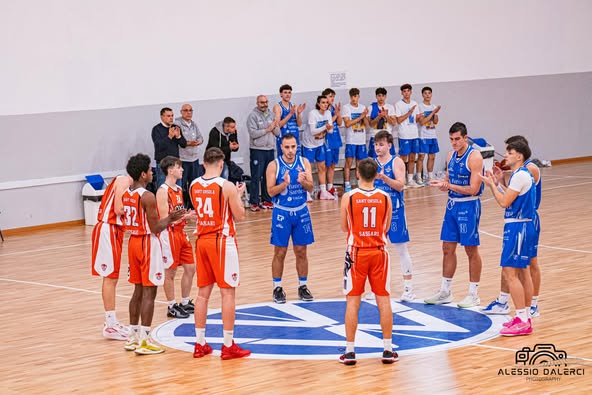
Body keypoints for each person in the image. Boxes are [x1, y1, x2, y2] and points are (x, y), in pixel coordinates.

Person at [189, 147, 251, 359]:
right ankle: (227, 345)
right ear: (222, 164)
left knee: (202, 294)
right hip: (222, 241)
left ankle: (199, 343)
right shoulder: (226, 186)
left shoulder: (193, 185)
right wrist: (239, 195)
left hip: (202, 241)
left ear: (204, 163)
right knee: (227, 293)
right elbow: (240, 215)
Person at [122, 153, 187, 355]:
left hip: (132, 242)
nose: (152, 172)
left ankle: (132, 336)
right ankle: (144, 339)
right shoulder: (147, 196)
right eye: (150, 170)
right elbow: (156, 227)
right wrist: (171, 218)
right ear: (143, 174)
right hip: (146, 243)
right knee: (150, 291)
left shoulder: (126, 193)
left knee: (137, 291)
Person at [339, 158, 398, 365]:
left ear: (357, 174)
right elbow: (387, 225)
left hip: (356, 253)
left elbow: (344, 227)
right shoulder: (385, 197)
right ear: (375, 175)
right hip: (379, 252)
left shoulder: (349, 197)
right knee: (383, 300)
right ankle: (388, 349)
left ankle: (350, 351)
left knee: (353, 301)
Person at [480, 139, 537, 336]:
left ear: (519, 156)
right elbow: (513, 199)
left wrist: (491, 186)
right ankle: (525, 316)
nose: (505, 155)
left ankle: (522, 318)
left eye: (509, 152)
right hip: (523, 226)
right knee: (522, 272)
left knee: (510, 273)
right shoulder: (520, 175)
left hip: (518, 228)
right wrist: (500, 183)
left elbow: (504, 203)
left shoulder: (520, 176)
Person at [425, 122, 484, 308]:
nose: (454, 143)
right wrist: (442, 184)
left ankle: (474, 294)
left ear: (465, 138)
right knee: (447, 248)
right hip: (452, 205)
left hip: (469, 206)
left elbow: (474, 189)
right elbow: (449, 182)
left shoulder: (474, 157)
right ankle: (445, 291)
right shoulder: (450, 155)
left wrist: (449, 186)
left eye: (457, 139)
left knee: (470, 250)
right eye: (451, 139)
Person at [266, 133, 315, 303]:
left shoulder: (304, 162)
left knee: (301, 251)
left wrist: (303, 182)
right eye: (287, 147)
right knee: (280, 251)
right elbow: (270, 191)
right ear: (281, 147)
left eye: (293, 147)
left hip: (301, 211)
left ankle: (303, 285)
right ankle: (277, 288)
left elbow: (311, 187)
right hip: (282, 212)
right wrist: (285, 184)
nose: (290, 150)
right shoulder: (274, 165)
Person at [372, 131, 416, 301]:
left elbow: (399, 185)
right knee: (377, 252)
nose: (378, 147)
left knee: (401, 249)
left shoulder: (396, 162)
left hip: (395, 211)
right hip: (377, 213)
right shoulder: (371, 163)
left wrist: (384, 178)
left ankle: (408, 289)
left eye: (381, 144)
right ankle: (381, 287)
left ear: (389, 145)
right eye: (376, 144)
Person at [91, 174, 132, 340]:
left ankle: (112, 322)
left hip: (115, 230)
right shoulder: (124, 179)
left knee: (112, 277)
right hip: (108, 229)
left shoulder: (126, 183)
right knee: (110, 277)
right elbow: (118, 209)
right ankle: (110, 325)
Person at [156, 156, 197, 319]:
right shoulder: (162, 191)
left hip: (181, 232)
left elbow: (178, 212)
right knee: (170, 271)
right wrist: (186, 217)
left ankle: (185, 301)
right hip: (169, 234)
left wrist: (189, 214)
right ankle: (171, 305)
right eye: (178, 167)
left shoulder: (179, 190)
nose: (182, 170)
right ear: (170, 170)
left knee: (191, 268)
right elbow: (165, 218)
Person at [247, 95, 279, 212]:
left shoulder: (271, 115)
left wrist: (275, 126)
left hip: (270, 149)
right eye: (262, 102)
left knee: (268, 176)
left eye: (266, 102)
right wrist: (267, 129)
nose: (264, 104)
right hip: (257, 150)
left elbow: (277, 132)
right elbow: (253, 133)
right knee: (256, 176)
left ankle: (267, 200)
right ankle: (254, 202)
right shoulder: (252, 116)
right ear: (257, 103)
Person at [302, 95, 334, 200]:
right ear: (318, 104)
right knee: (308, 168)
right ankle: (307, 192)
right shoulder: (313, 114)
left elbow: (331, 131)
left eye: (326, 103)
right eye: (323, 102)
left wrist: (328, 128)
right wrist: (326, 127)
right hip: (309, 144)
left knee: (322, 167)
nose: (325, 104)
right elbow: (313, 131)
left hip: (320, 143)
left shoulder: (328, 113)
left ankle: (323, 191)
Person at [175, 104, 204, 208]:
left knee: (194, 184)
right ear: (181, 112)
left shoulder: (194, 124)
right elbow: (179, 141)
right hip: (183, 159)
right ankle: (181, 207)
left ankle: (193, 206)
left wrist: (198, 142)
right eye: (186, 110)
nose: (188, 112)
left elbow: (201, 137)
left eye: (190, 110)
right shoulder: (177, 124)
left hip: (194, 159)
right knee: (181, 185)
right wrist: (188, 143)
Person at [395, 84, 423, 187]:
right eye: (404, 91)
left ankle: (410, 180)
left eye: (408, 91)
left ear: (411, 92)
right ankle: (401, 180)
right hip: (404, 135)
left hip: (414, 134)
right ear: (402, 93)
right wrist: (409, 112)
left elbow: (415, 120)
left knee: (412, 158)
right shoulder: (398, 104)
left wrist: (419, 117)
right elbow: (399, 120)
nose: (406, 93)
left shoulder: (415, 103)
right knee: (403, 159)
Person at [342, 88, 369, 192]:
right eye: (352, 96)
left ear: (358, 96)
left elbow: (367, 125)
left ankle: (359, 183)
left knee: (360, 163)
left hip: (361, 140)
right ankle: (347, 184)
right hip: (351, 140)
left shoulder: (362, 107)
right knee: (348, 163)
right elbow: (348, 123)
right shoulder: (346, 108)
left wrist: (364, 116)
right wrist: (360, 117)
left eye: (356, 96)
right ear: (350, 97)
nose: (354, 98)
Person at [152, 107, 187, 187]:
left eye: (172, 116)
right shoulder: (156, 129)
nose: (171, 118)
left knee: (178, 186)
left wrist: (178, 137)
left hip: (176, 163)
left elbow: (183, 144)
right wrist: (169, 137)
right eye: (168, 116)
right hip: (163, 164)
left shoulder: (175, 127)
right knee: (163, 186)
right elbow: (158, 146)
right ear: (162, 117)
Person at [417, 87, 442, 182]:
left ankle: (430, 176)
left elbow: (435, 121)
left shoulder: (433, 106)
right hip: (423, 135)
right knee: (421, 157)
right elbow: (422, 122)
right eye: (425, 93)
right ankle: (419, 177)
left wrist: (435, 114)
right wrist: (432, 113)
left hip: (432, 135)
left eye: (429, 93)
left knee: (432, 156)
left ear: (431, 94)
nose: (427, 95)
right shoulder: (420, 106)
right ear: (422, 95)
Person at [273, 84, 306, 154]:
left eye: (289, 92)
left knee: (297, 161)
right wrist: (290, 114)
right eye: (285, 92)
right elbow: (278, 125)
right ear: (281, 94)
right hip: (284, 139)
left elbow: (299, 124)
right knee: (284, 161)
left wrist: (299, 114)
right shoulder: (277, 107)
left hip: (295, 138)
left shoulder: (294, 106)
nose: (287, 95)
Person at [322, 88, 343, 197]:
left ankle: (330, 187)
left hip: (335, 138)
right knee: (326, 164)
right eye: (330, 96)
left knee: (333, 164)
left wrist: (338, 114)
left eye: (333, 96)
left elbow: (339, 123)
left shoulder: (334, 108)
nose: (332, 98)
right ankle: (324, 188)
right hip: (327, 140)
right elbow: (328, 123)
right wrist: (335, 115)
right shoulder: (323, 110)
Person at [206, 117, 240, 181]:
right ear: (226, 127)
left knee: (226, 178)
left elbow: (234, 147)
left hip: (226, 160)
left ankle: (224, 190)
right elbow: (215, 150)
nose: (234, 129)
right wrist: (229, 148)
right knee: (221, 177)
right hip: (213, 160)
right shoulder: (214, 132)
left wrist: (235, 147)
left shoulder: (233, 132)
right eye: (232, 127)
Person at [367, 87, 396, 159]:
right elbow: (370, 124)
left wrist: (386, 116)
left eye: (383, 96)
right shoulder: (371, 107)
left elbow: (393, 123)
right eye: (379, 96)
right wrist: (379, 117)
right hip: (375, 137)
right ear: (376, 96)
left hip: (387, 137)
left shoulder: (390, 107)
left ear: (385, 96)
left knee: (389, 159)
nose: (381, 98)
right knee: (375, 160)